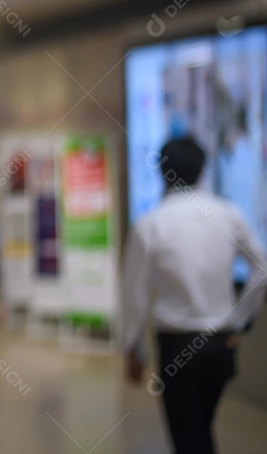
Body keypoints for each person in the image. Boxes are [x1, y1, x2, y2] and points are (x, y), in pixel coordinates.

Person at [122, 136, 267, 454]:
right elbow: (262, 269)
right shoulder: (228, 215)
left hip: (178, 349)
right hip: (221, 345)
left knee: (188, 438)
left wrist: (132, 346)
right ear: (203, 171)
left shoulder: (151, 224)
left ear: (162, 172)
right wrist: (239, 320)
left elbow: (134, 293)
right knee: (199, 430)